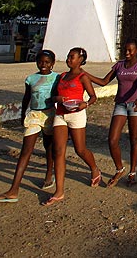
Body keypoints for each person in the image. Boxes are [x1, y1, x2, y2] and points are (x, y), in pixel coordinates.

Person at [0, 49, 60, 203]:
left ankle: (49, 174)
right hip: (34, 115)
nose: (43, 65)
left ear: (52, 64)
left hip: (50, 115)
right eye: (40, 62)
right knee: (25, 150)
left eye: (47, 62)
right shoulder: (31, 79)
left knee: (49, 147)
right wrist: (23, 114)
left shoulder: (56, 78)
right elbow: (26, 97)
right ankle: (14, 189)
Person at [43, 47, 102, 206]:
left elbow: (93, 96)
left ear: (80, 60)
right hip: (61, 114)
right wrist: (58, 99)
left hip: (76, 115)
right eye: (68, 56)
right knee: (58, 151)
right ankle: (59, 191)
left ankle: (94, 168)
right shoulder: (62, 76)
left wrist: (86, 104)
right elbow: (53, 96)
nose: (69, 59)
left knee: (80, 149)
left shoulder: (83, 77)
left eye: (72, 57)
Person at [87, 39, 137, 187]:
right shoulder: (119, 65)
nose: (127, 53)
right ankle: (119, 168)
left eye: (130, 50)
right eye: (125, 50)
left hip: (135, 104)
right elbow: (103, 81)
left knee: (134, 139)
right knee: (112, 139)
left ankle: (132, 172)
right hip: (120, 105)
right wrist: (84, 74)